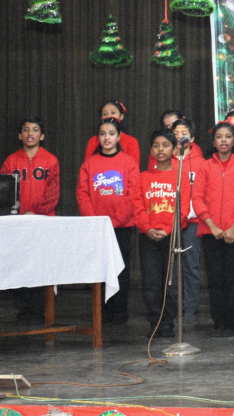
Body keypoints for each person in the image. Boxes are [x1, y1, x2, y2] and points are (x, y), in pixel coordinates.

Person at [192, 121, 234, 337]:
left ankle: (230, 322)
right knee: (215, 279)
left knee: (233, 278)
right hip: (211, 232)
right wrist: (211, 225)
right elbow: (197, 198)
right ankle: (218, 321)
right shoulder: (205, 167)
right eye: (219, 137)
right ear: (213, 141)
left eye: (228, 137)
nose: (224, 141)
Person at [77, 117, 139, 324]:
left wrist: (114, 221)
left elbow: (132, 196)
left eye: (111, 134)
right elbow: (82, 194)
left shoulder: (128, 163)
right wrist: (95, 221)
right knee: (99, 269)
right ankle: (101, 310)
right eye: (102, 134)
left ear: (119, 136)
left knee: (121, 270)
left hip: (121, 227)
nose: (107, 138)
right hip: (96, 228)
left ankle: (119, 311)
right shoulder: (89, 163)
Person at [0, 117, 60, 325]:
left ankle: (38, 311)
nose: (30, 133)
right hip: (17, 223)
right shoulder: (10, 161)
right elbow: (4, 192)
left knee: (40, 265)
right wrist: (20, 212)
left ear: (42, 136)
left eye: (35, 129)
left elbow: (53, 195)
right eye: (25, 130)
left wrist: (34, 212)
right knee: (19, 266)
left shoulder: (51, 160)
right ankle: (23, 311)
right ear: (20, 135)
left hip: (42, 222)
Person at [132, 130, 191, 338]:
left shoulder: (180, 176)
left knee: (171, 282)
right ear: (151, 150)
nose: (160, 149)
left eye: (165, 145)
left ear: (174, 149)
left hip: (172, 237)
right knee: (151, 282)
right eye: (156, 145)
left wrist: (167, 230)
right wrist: (147, 228)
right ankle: (155, 322)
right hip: (148, 236)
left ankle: (168, 323)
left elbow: (183, 209)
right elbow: (138, 206)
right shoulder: (144, 177)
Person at [171, 118, 205, 324]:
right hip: (170, 222)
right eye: (175, 133)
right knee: (172, 266)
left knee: (191, 265)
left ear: (191, 139)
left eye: (183, 133)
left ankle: (190, 307)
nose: (179, 136)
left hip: (193, 222)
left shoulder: (200, 163)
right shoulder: (166, 162)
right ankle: (173, 306)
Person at [83, 101, 140, 166]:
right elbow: (87, 166)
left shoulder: (131, 141)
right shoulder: (93, 141)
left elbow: (134, 167)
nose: (109, 116)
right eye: (105, 114)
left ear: (121, 116)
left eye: (113, 113)